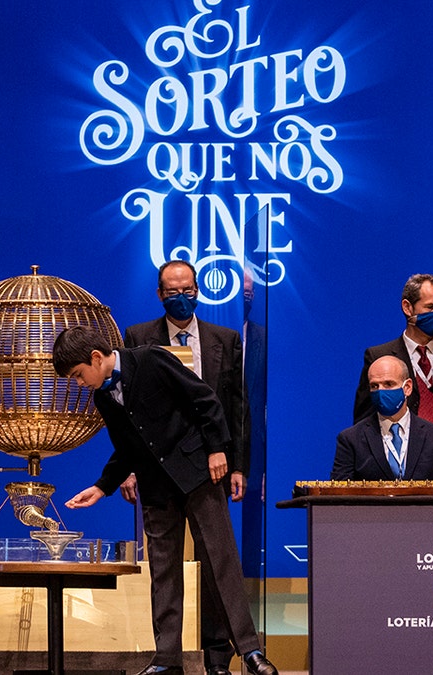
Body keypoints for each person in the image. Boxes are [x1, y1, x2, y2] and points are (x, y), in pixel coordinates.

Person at [54, 326, 276, 675]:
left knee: (221, 563)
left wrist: (218, 449)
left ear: (96, 358)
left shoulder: (151, 359)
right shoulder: (102, 397)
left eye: (79, 375)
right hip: (156, 489)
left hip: (198, 475)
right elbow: (126, 448)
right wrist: (102, 487)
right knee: (163, 574)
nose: (80, 384)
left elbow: (206, 401)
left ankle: (250, 651)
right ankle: (167, 659)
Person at [122, 259, 250, 675]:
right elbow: (129, 412)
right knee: (165, 567)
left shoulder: (224, 339)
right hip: (159, 469)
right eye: (172, 291)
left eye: (188, 289)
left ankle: (218, 658)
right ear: (159, 294)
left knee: (217, 562)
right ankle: (167, 661)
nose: (181, 297)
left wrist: (237, 464)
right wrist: (128, 468)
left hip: (209, 466)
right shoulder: (139, 338)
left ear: (198, 289)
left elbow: (236, 409)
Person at [353, 273, 433, 493]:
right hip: (397, 469)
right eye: (430, 307)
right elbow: (364, 419)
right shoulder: (379, 356)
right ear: (408, 308)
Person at [333, 355, 433, 481]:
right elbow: (338, 495)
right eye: (374, 386)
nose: (380, 392)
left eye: (388, 384)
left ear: (407, 388)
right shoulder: (350, 440)